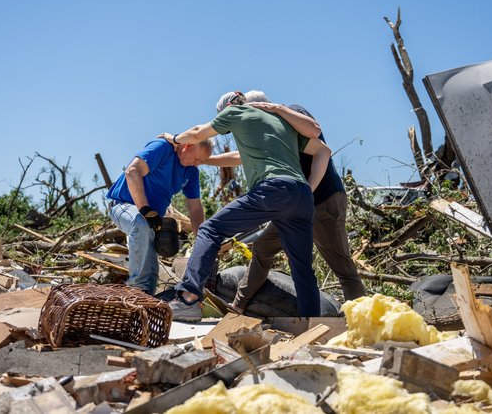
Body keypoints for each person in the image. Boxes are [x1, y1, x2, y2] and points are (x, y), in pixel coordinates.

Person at [160, 91, 331, 321]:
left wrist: (174, 139)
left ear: (228, 108)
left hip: (272, 190)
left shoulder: (235, 112)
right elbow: (323, 150)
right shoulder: (280, 122)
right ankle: (314, 324)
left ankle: (188, 299)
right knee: (302, 267)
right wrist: (307, 189)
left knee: (210, 229)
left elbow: (197, 133)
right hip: (300, 196)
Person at [207, 90, 366, 312]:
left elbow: (320, 146)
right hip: (295, 206)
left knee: (341, 266)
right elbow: (240, 157)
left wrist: (308, 191)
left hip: (322, 201)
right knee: (263, 246)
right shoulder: (267, 133)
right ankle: (238, 307)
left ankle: (359, 321)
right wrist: (206, 160)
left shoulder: (292, 113)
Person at [105, 138, 212, 294]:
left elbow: (195, 208)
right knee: (141, 224)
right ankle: (135, 290)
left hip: (152, 219)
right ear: (187, 146)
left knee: (151, 271)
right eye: (196, 159)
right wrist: (145, 210)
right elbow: (132, 172)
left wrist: (201, 240)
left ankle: (148, 296)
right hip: (122, 205)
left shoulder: (191, 172)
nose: (196, 164)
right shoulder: (163, 148)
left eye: (200, 162)